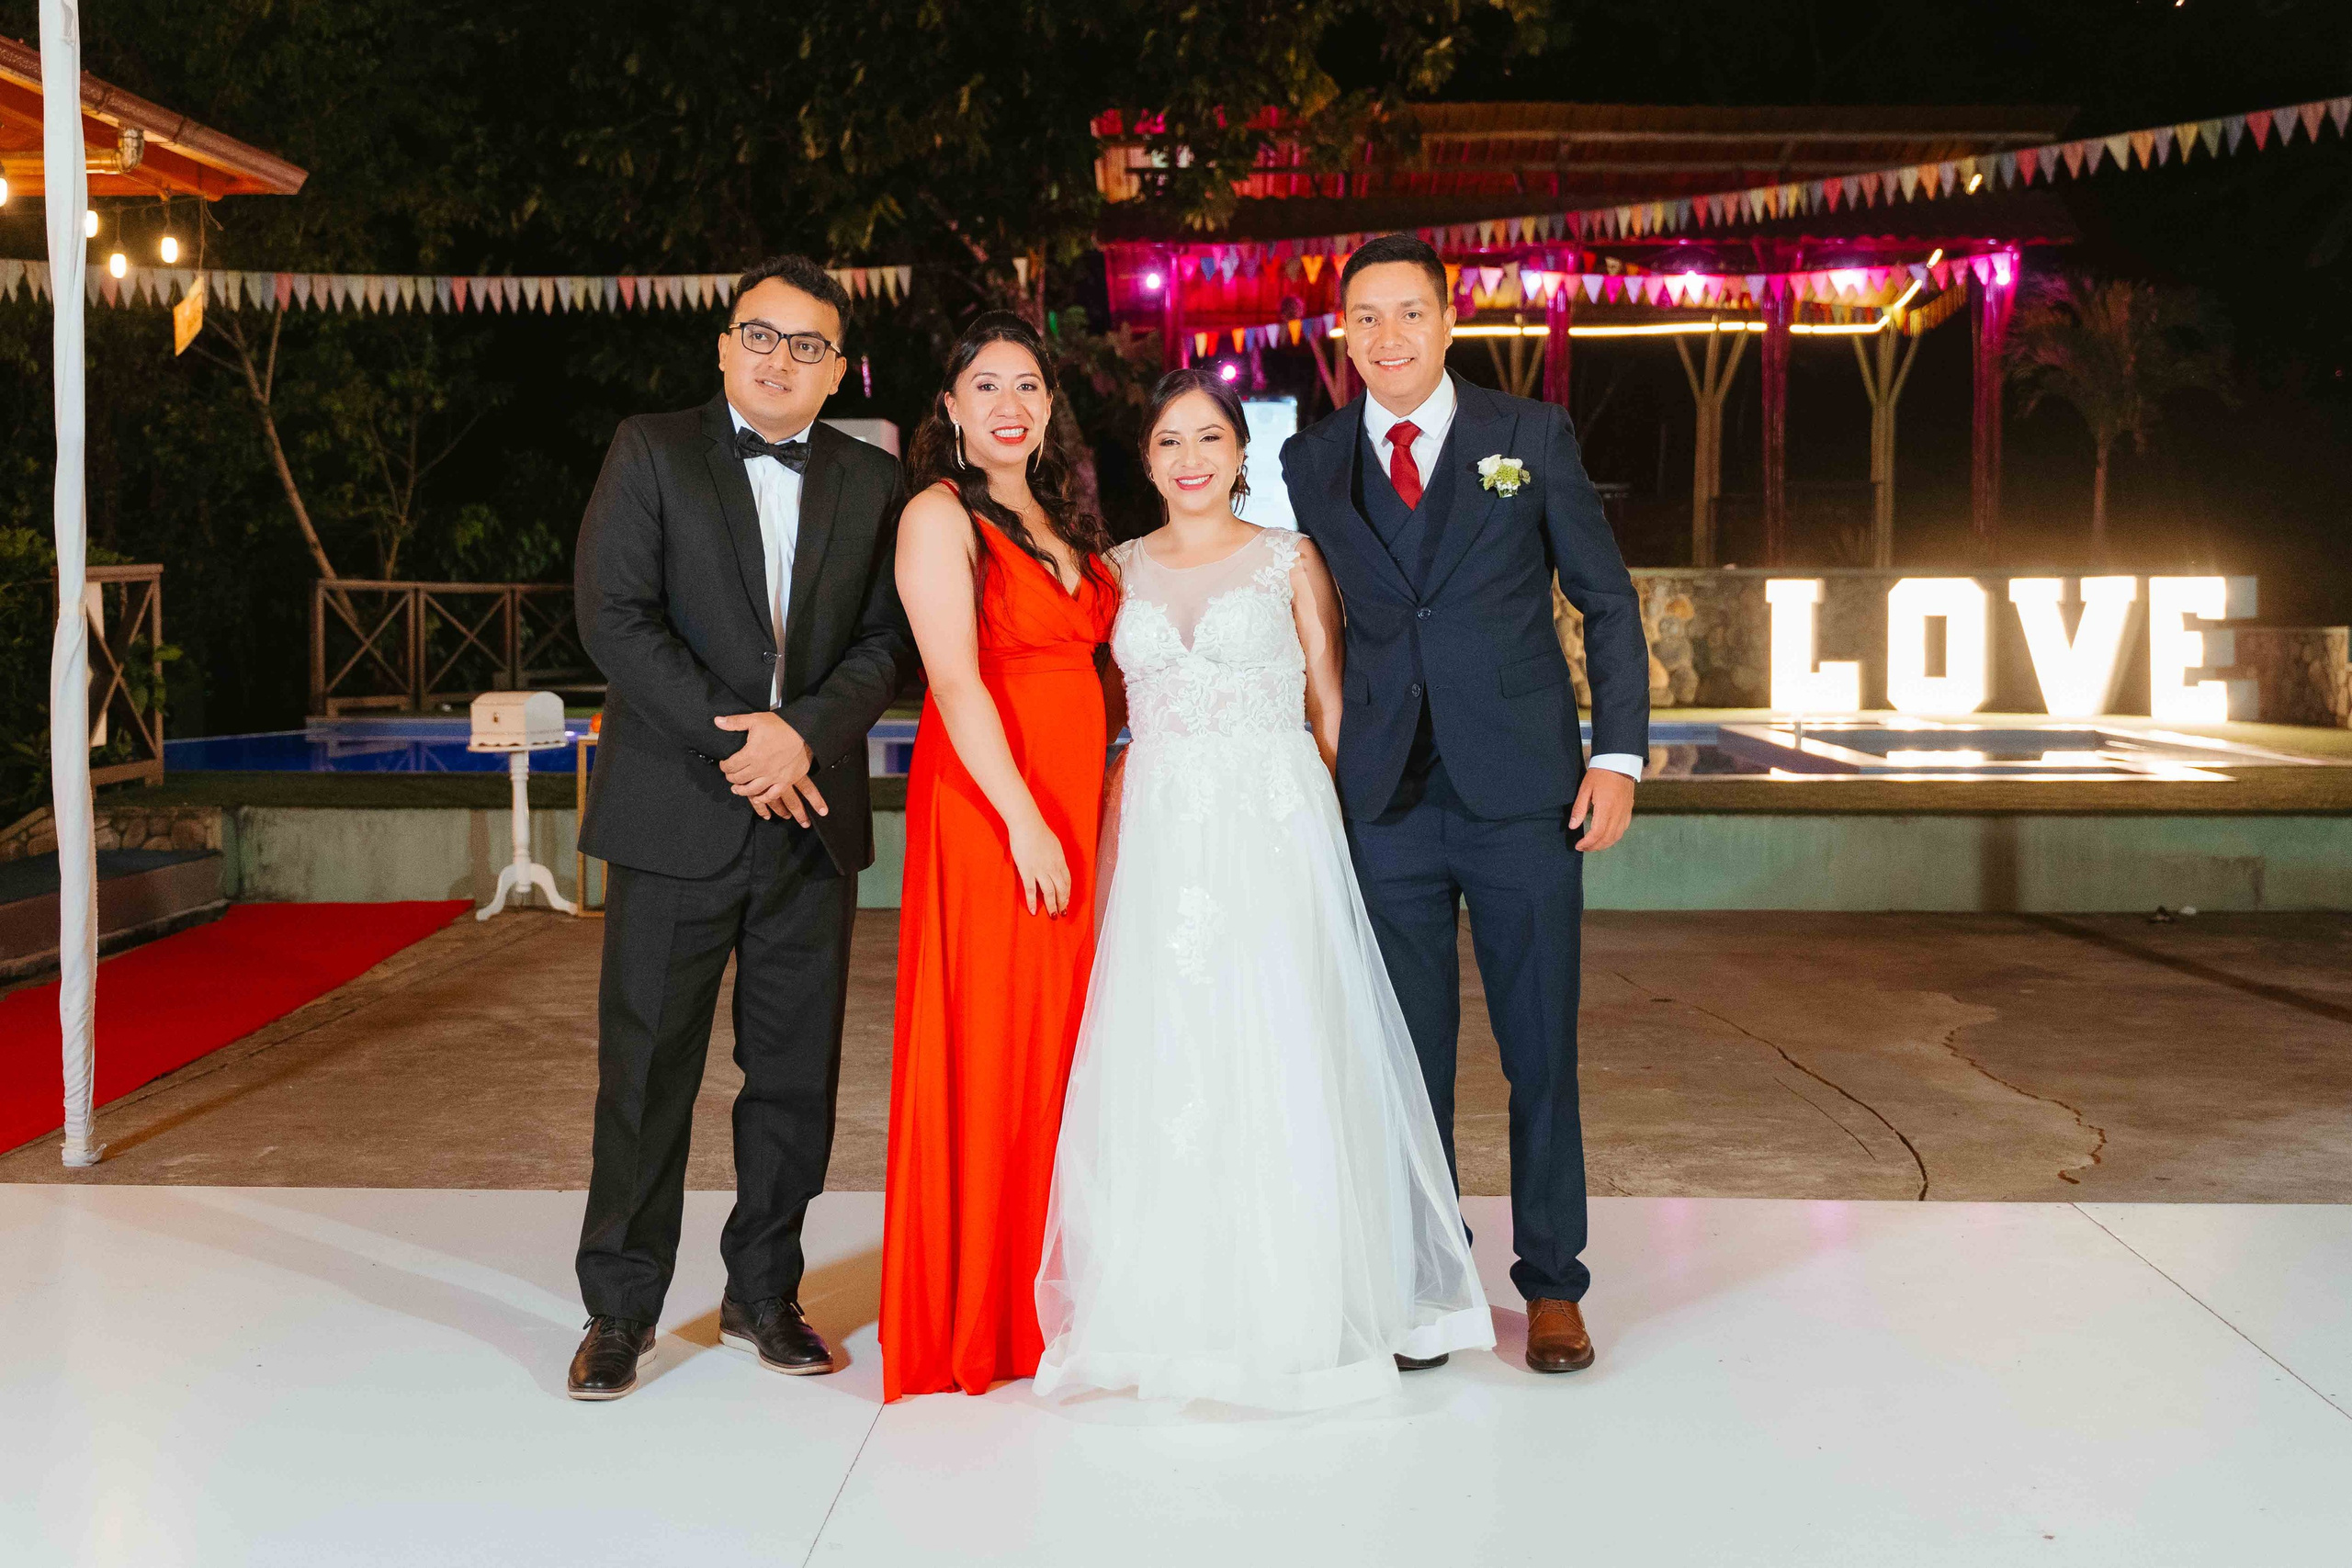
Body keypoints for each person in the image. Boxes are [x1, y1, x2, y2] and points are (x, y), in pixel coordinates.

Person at [1034, 371, 1493, 1411]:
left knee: (1281, 1036)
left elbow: (1331, 707)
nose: (1189, 458)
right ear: (1143, 462)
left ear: (1240, 454)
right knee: (1175, 1046)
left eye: (1208, 437)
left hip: (1272, 823)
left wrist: (1339, 846)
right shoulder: (1115, 573)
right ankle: (1172, 1300)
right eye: (1167, 442)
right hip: (1159, 832)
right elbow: (1098, 713)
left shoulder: (1291, 559)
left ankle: (1302, 1291)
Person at [1279, 233, 1648, 1376]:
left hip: (1523, 794)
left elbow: (1606, 600)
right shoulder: (1311, 457)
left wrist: (1619, 757)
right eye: (1364, 320)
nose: (1385, 338)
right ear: (1343, 335)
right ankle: (1429, 1283)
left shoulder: (1526, 436)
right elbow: (1296, 611)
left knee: (1538, 1048)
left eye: (1407, 314)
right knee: (1406, 1057)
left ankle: (1552, 1286)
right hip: (1382, 799)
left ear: (1448, 322)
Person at [566, 255, 915, 1400]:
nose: (779, 359)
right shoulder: (651, 449)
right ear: (723, 346)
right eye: (760, 336)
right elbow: (613, 619)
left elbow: (883, 643)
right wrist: (742, 744)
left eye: (806, 345)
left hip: (807, 823)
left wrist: (800, 737)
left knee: (793, 1079)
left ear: (835, 369)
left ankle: (765, 1294)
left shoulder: (873, 480)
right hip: (677, 815)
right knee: (646, 1071)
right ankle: (620, 1309)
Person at [880, 311, 1121, 1401]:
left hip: (1075, 797)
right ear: (950, 408)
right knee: (994, 1038)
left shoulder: (1062, 515)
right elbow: (956, 680)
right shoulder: (939, 514)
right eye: (986, 386)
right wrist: (1023, 817)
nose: (1010, 405)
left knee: (1064, 1044)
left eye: (1027, 385)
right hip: (994, 804)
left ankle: (1051, 1296)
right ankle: (980, 1314)